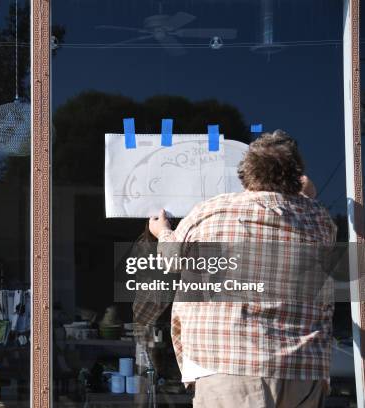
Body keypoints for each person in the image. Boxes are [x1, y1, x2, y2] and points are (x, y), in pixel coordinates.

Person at [134, 130, 336, 408]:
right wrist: (301, 188)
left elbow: (171, 259)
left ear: (245, 173)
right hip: (301, 367)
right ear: (295, 175)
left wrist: (162, 231)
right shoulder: (318, 220)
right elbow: (307, 199)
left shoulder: (211, 211)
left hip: (228, 364)